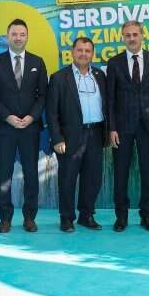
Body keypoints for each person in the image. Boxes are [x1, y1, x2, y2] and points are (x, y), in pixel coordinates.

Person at [0, 19, 47, 233]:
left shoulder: (37, 62)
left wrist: (32, 116)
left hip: (30, 128)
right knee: (4, 175)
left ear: (27, 36)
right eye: (14, 34)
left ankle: (30, 217)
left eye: (22, 34)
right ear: (7, 36)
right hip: (5, 128)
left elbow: (43, 95)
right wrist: (7, 116)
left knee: (31, 174)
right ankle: (5, 218)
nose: (18, 38)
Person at [106, 20, 149, 232]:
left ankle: (146, 216)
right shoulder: (114, 63)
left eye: (135, 34)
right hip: (122, 128)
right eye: (128, 35)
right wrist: (111, 128)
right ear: (123, 37)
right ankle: (121, 217)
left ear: (142, 36)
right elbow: (110, 99)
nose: (132, 38)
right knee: (121, 173)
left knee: (148, 173)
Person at [47, 37, 107, 232]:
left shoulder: (99, 75)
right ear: (72, 52)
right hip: (70, 136)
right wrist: (57, 138)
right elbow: (52, 112)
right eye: (80, 50)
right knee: (68, 178)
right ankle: (66, 218)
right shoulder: (59, 77)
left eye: (87, 51)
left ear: (92, 54)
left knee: (93, 178)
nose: (83, 54)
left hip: (96, 133)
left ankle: (86, 215)